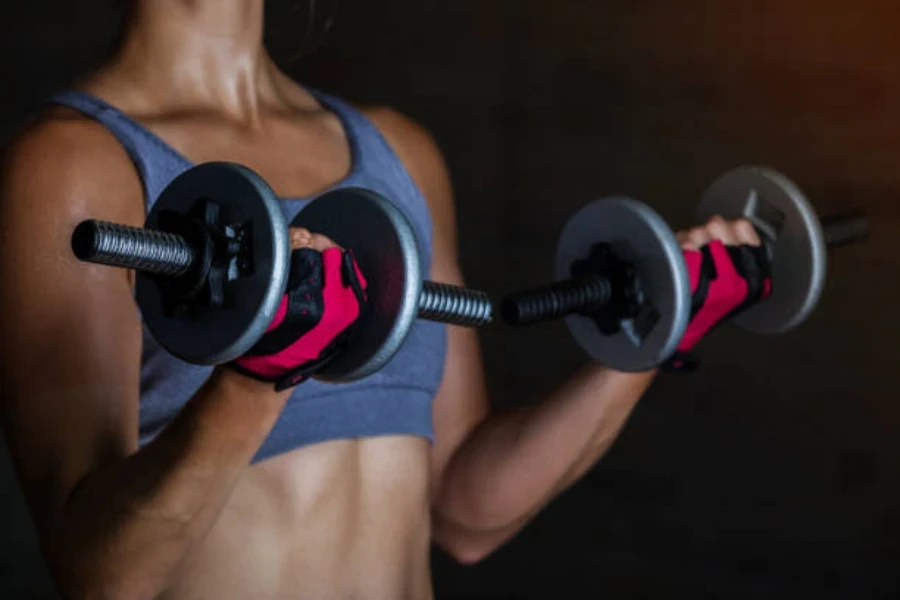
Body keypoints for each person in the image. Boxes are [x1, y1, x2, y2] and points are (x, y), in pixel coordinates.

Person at [0, 1, 767, 598]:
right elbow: (101, 578)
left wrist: (653, 331)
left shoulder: (401, 155)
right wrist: (261, 375)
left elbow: (466, 511)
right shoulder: (72, 168)